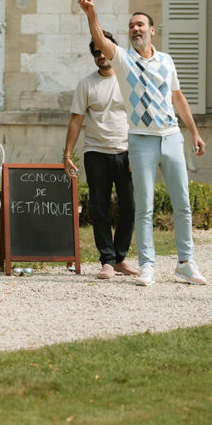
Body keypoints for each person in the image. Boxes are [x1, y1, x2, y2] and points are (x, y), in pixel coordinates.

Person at [77, 0, 207, 287]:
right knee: (144, 206)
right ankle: (147, 265)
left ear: (152, 30)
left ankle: (186, 262)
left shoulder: (167, 61)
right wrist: (91, 14)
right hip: (140, 140)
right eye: (131, 26)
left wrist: (195, 133)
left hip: (171, 136)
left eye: (140, 25)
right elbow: (100, 39)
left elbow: (178, 98)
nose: (135, 29)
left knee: (182, 203)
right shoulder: (122, 60)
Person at [63, 32, 139, 280]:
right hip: (95, 152)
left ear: (114, 49)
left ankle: (120, 258)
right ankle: (107, 260)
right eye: (96, 52)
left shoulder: (130, 79)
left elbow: (141, 117)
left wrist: (139, 152)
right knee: (99, 208)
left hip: (127, 151)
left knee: (130, 206)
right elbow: (76, 121)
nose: (101, 56)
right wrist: (67, 154)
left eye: (104, 50)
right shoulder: (86, 84)